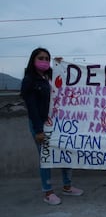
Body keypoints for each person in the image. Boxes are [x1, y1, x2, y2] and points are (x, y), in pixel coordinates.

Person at [20, 47, 83, 205]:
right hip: (40, 124)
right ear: (33, 60)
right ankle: (48, 192)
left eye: (47, 58)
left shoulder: (50, 76)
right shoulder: (29, 80)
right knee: (46, 157)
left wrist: (61, 65)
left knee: (65, 153)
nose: (45, 61)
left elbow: (67, 81)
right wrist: (39, 130)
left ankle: (67, 187)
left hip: (58, 123)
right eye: (41, 58)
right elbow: (32, 107)